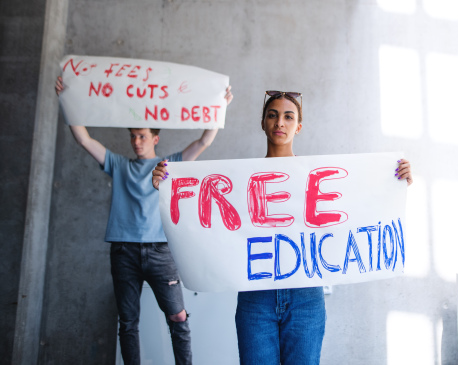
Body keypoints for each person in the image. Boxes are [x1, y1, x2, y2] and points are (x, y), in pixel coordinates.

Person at [151, 90, 412, 365]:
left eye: (288, 117)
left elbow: (359, 204)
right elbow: (206, 218)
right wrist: (166, 183)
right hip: (256, 299)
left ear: (298, 127)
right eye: (273, 115)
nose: (280, 123)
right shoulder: (238, 180)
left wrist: (392, 182)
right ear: (263, 122)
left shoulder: (316, 175)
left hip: (305, 298)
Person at [55, 76, 233, 365]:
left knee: (177, 315)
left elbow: (204, 141)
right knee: (127, 322)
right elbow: (84, 139)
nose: (136, 142)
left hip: (160, 252)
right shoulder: (119, 165)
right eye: (133, 136)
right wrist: (67, 99)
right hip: (124, 252)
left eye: (142, 136)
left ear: (155, 138)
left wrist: (219, 107)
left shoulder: (169, 165)